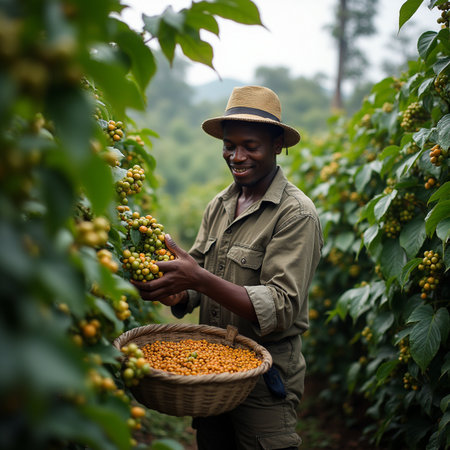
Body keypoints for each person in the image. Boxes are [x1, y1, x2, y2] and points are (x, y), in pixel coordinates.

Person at [132, 85, 323, 450]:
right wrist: (177, 289)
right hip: (212, 371)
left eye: (250, 146)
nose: (236, 156)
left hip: (264, 378)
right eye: (228, 145)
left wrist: (198, 278)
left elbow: (281, 307)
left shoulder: (295, 214)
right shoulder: (220, 204)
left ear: (276, 145)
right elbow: (199, 270)